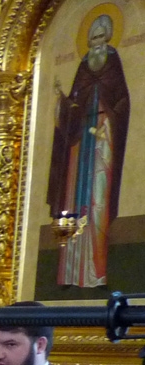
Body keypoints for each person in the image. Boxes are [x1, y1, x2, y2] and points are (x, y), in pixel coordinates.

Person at [47, 13, 130, 289]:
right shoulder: (83, 66)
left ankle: (96, 273)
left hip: (104, 142)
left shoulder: (113, 63)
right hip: (79, 146)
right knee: (73, 201)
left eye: (101, 38)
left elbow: (122, 102)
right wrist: (63, 104)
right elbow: (74, 104)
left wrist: (108, 124)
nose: (97, 44)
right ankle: (70, 275)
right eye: (93, 39)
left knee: (98, 202)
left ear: (108, 39)